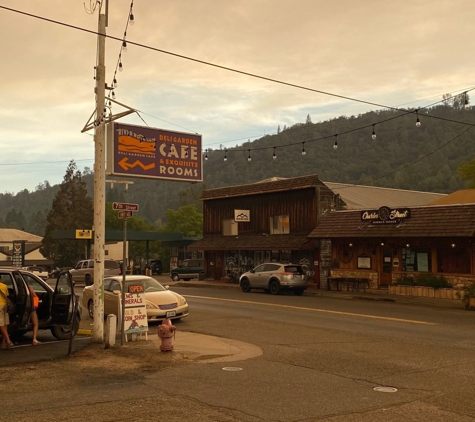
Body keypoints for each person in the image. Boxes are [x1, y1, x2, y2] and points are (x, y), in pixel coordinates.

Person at [0, 276, 14, 350]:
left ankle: (8, 341)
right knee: (5, 324)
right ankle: (3, 342)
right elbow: (7, 295)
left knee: (0, 324)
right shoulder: (4, 286)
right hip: (5, 306)